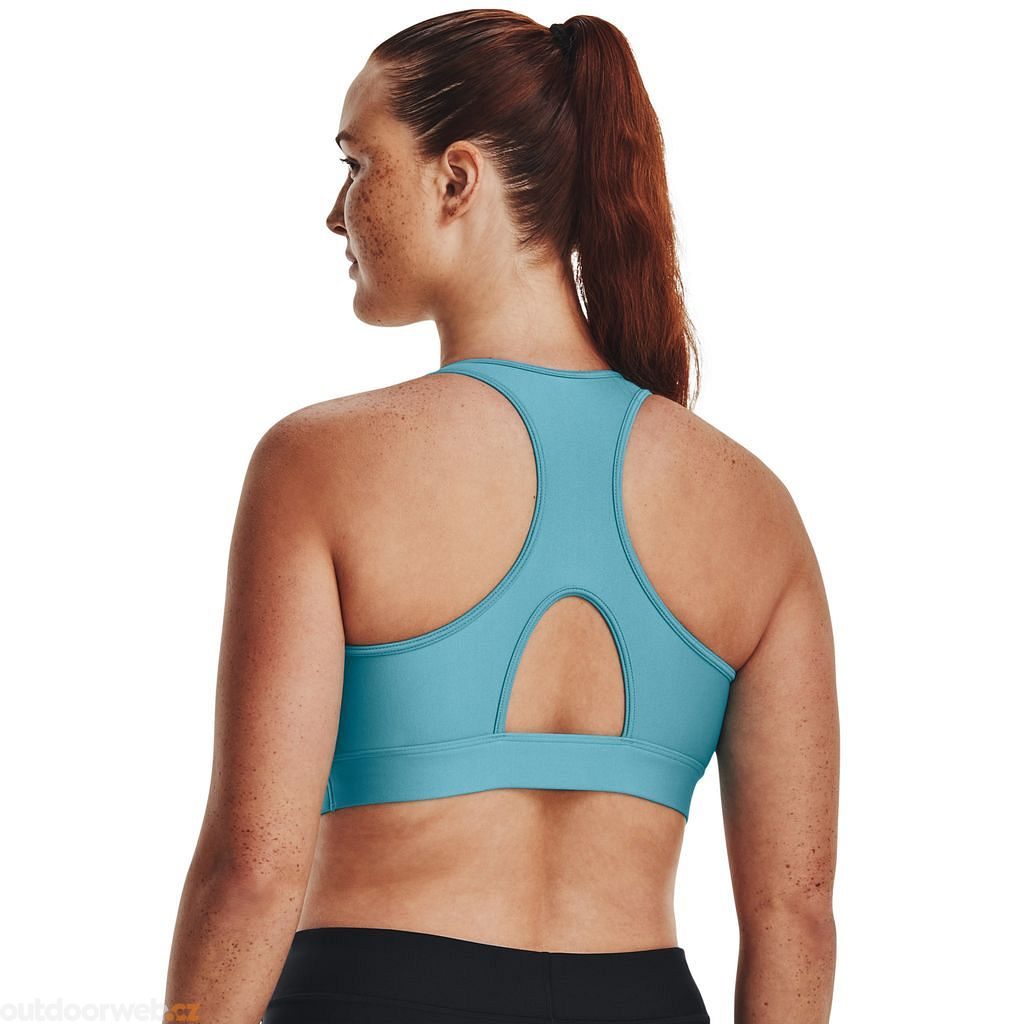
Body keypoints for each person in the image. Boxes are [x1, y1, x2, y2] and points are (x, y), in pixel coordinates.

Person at [163, 11, 838, 1024]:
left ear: (455, 179)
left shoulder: (322, 463)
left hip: (375, 992)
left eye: (356, 164)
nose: (336, 214)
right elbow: (796, 914)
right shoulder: (753, 508)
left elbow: (252, 873)